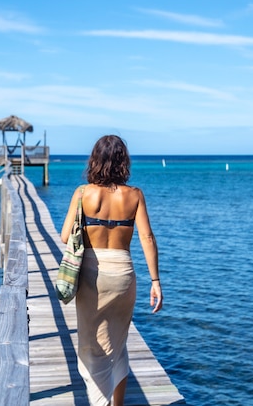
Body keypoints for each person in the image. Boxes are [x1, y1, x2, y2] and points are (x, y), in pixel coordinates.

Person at [61, 135, 163, 406]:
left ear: (95, 160)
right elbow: (148, 239)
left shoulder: (83, 193)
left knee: (91, 347)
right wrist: (155, 281)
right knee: (118, 345)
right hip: (124, 275)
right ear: (123, 161)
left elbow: (64, 236)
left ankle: (100, 403)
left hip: (92, 277)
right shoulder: (135, 195)